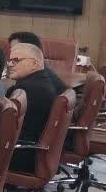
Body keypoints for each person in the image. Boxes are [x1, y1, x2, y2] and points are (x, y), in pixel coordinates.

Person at [7, 43, 67, 171]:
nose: (10, 64)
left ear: (34, 63)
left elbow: (5, 128)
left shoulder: (26, 90)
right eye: (10, 60)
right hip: (36, 151)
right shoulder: (43, 81)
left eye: (16, 60)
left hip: (22, 155)